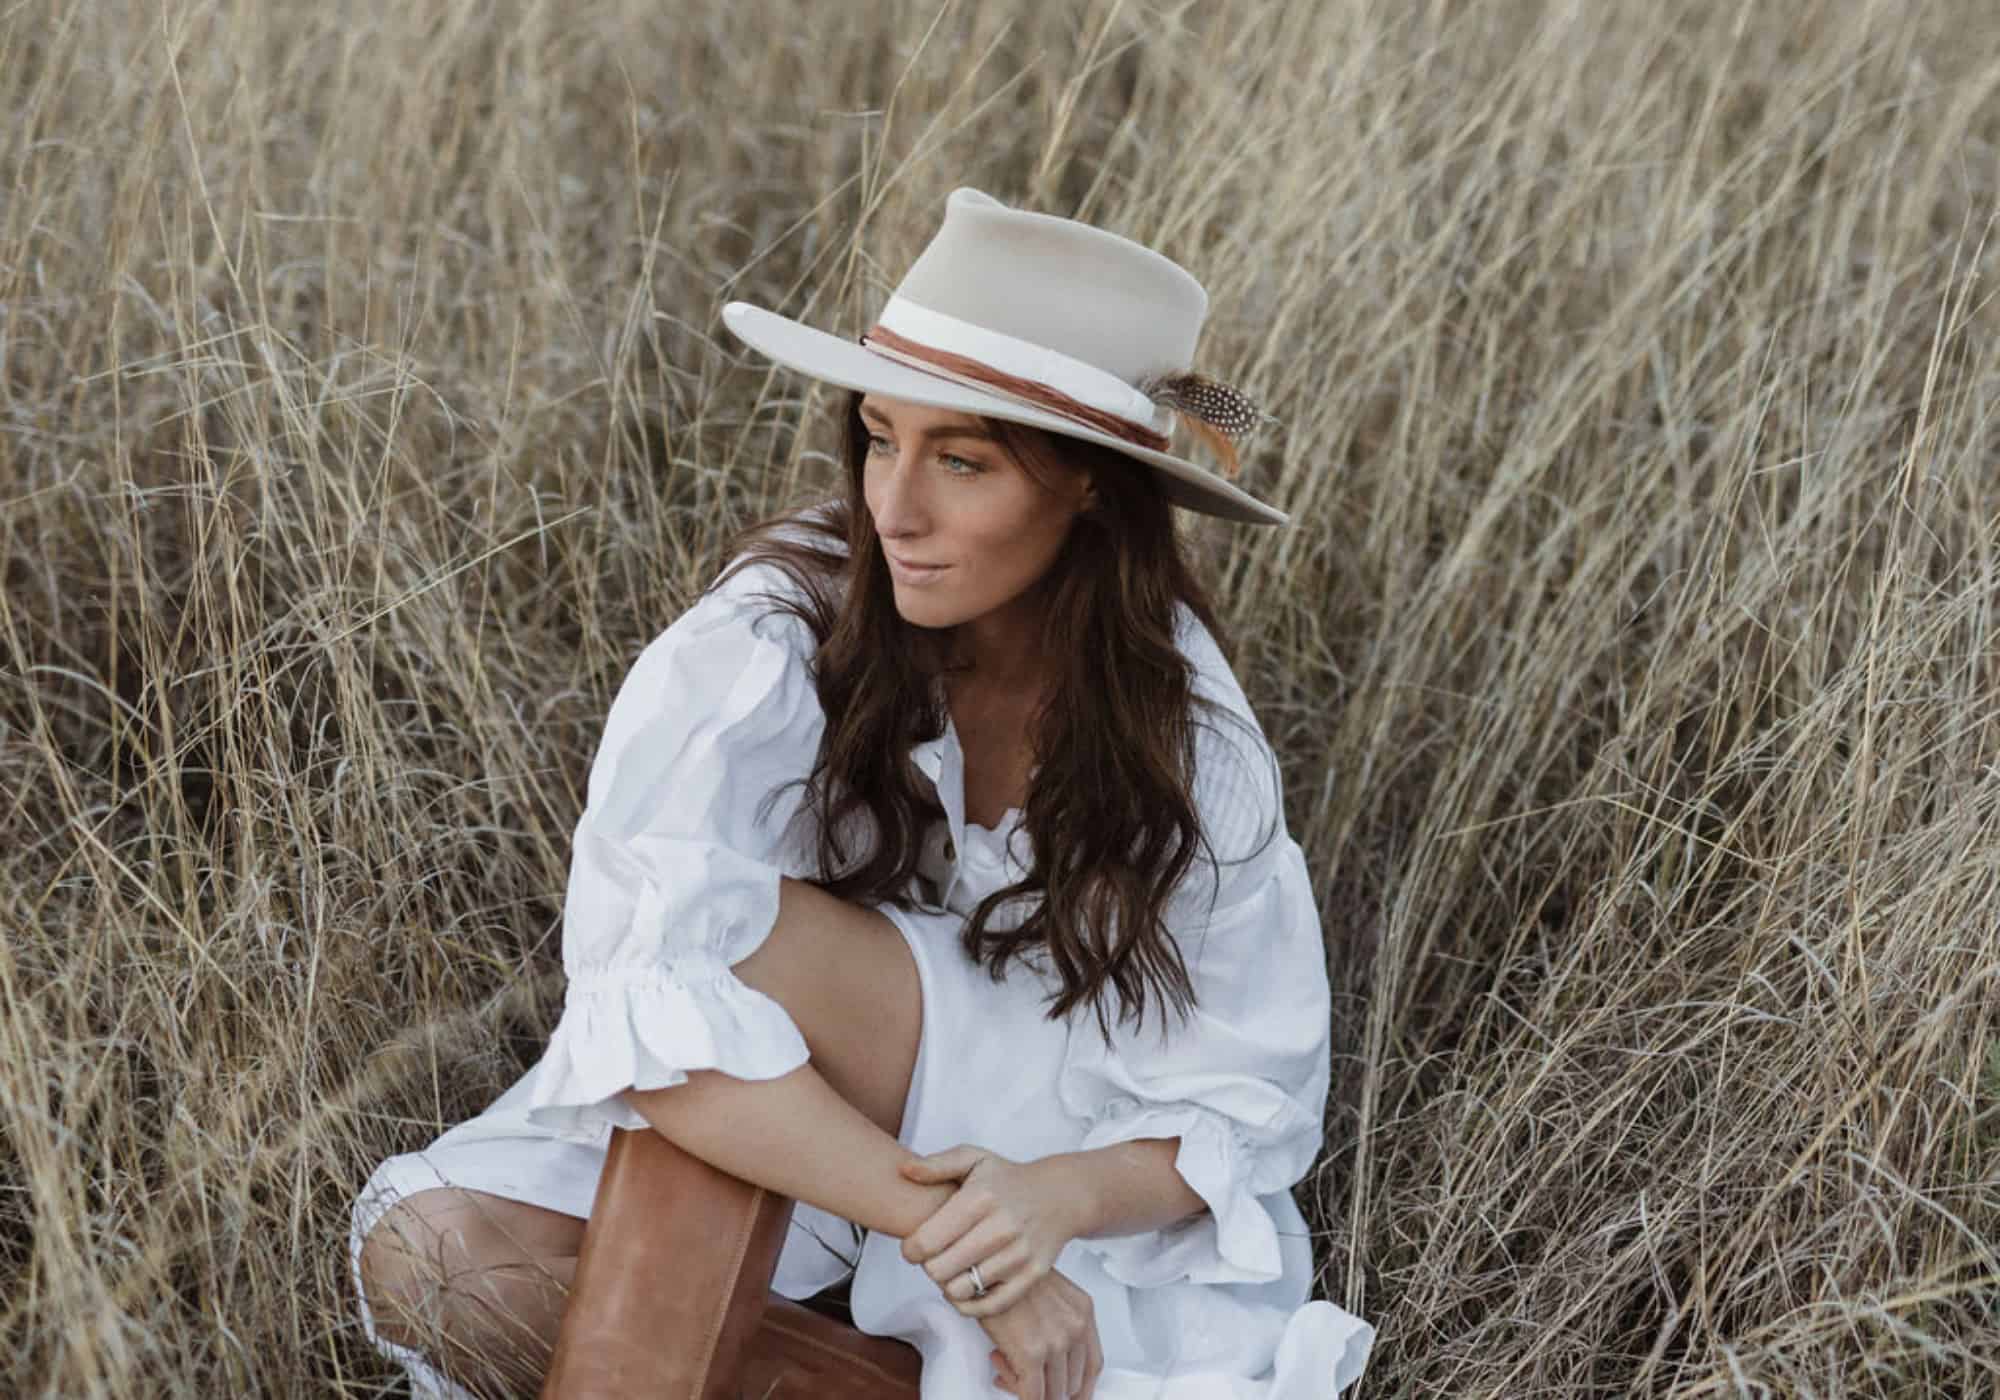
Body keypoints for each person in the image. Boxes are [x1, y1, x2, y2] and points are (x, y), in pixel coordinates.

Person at [349, 186, 1376, 1399]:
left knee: (754, 958)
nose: (895, 507)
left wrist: (1043, 1206)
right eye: (880, 437)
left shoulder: (1186, 735)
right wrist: (959, 1240)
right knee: (435, 1255)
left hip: (1048, 1131)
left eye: (962, 459)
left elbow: (1237, 1102)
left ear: (1089, 486)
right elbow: (651, 1004)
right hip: (796, 1113)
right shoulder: (775, 630)